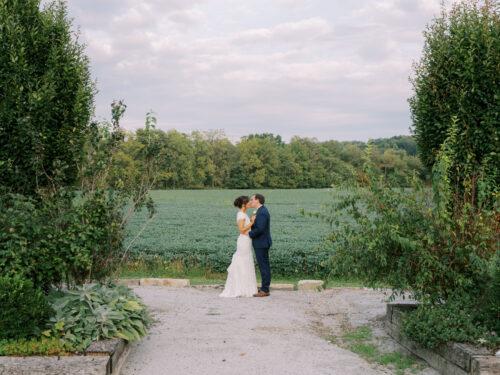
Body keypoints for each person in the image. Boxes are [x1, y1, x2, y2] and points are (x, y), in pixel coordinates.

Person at [219, 196, 258, 298]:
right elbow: (241, 229)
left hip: (247, 240)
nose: (250, 202)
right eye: (248, 201)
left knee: (246, 261)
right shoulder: (240, 214)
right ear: (243, 204)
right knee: (242, 261)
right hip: (243, 241)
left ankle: (246, 287)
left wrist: (250, 222)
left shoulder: (244, 214)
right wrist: (252, 222)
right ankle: (239, 287)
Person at [248, 193, 272, 297]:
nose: (251, 201)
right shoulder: (260, 211)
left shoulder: (262, 212)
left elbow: (260, 229)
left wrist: (248, 234)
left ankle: (265, 290)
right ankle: (265, 288)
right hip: (261, 242)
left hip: (261, 242)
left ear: (258, 200)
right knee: (264, 265)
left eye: (252, 199)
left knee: (264, 266)